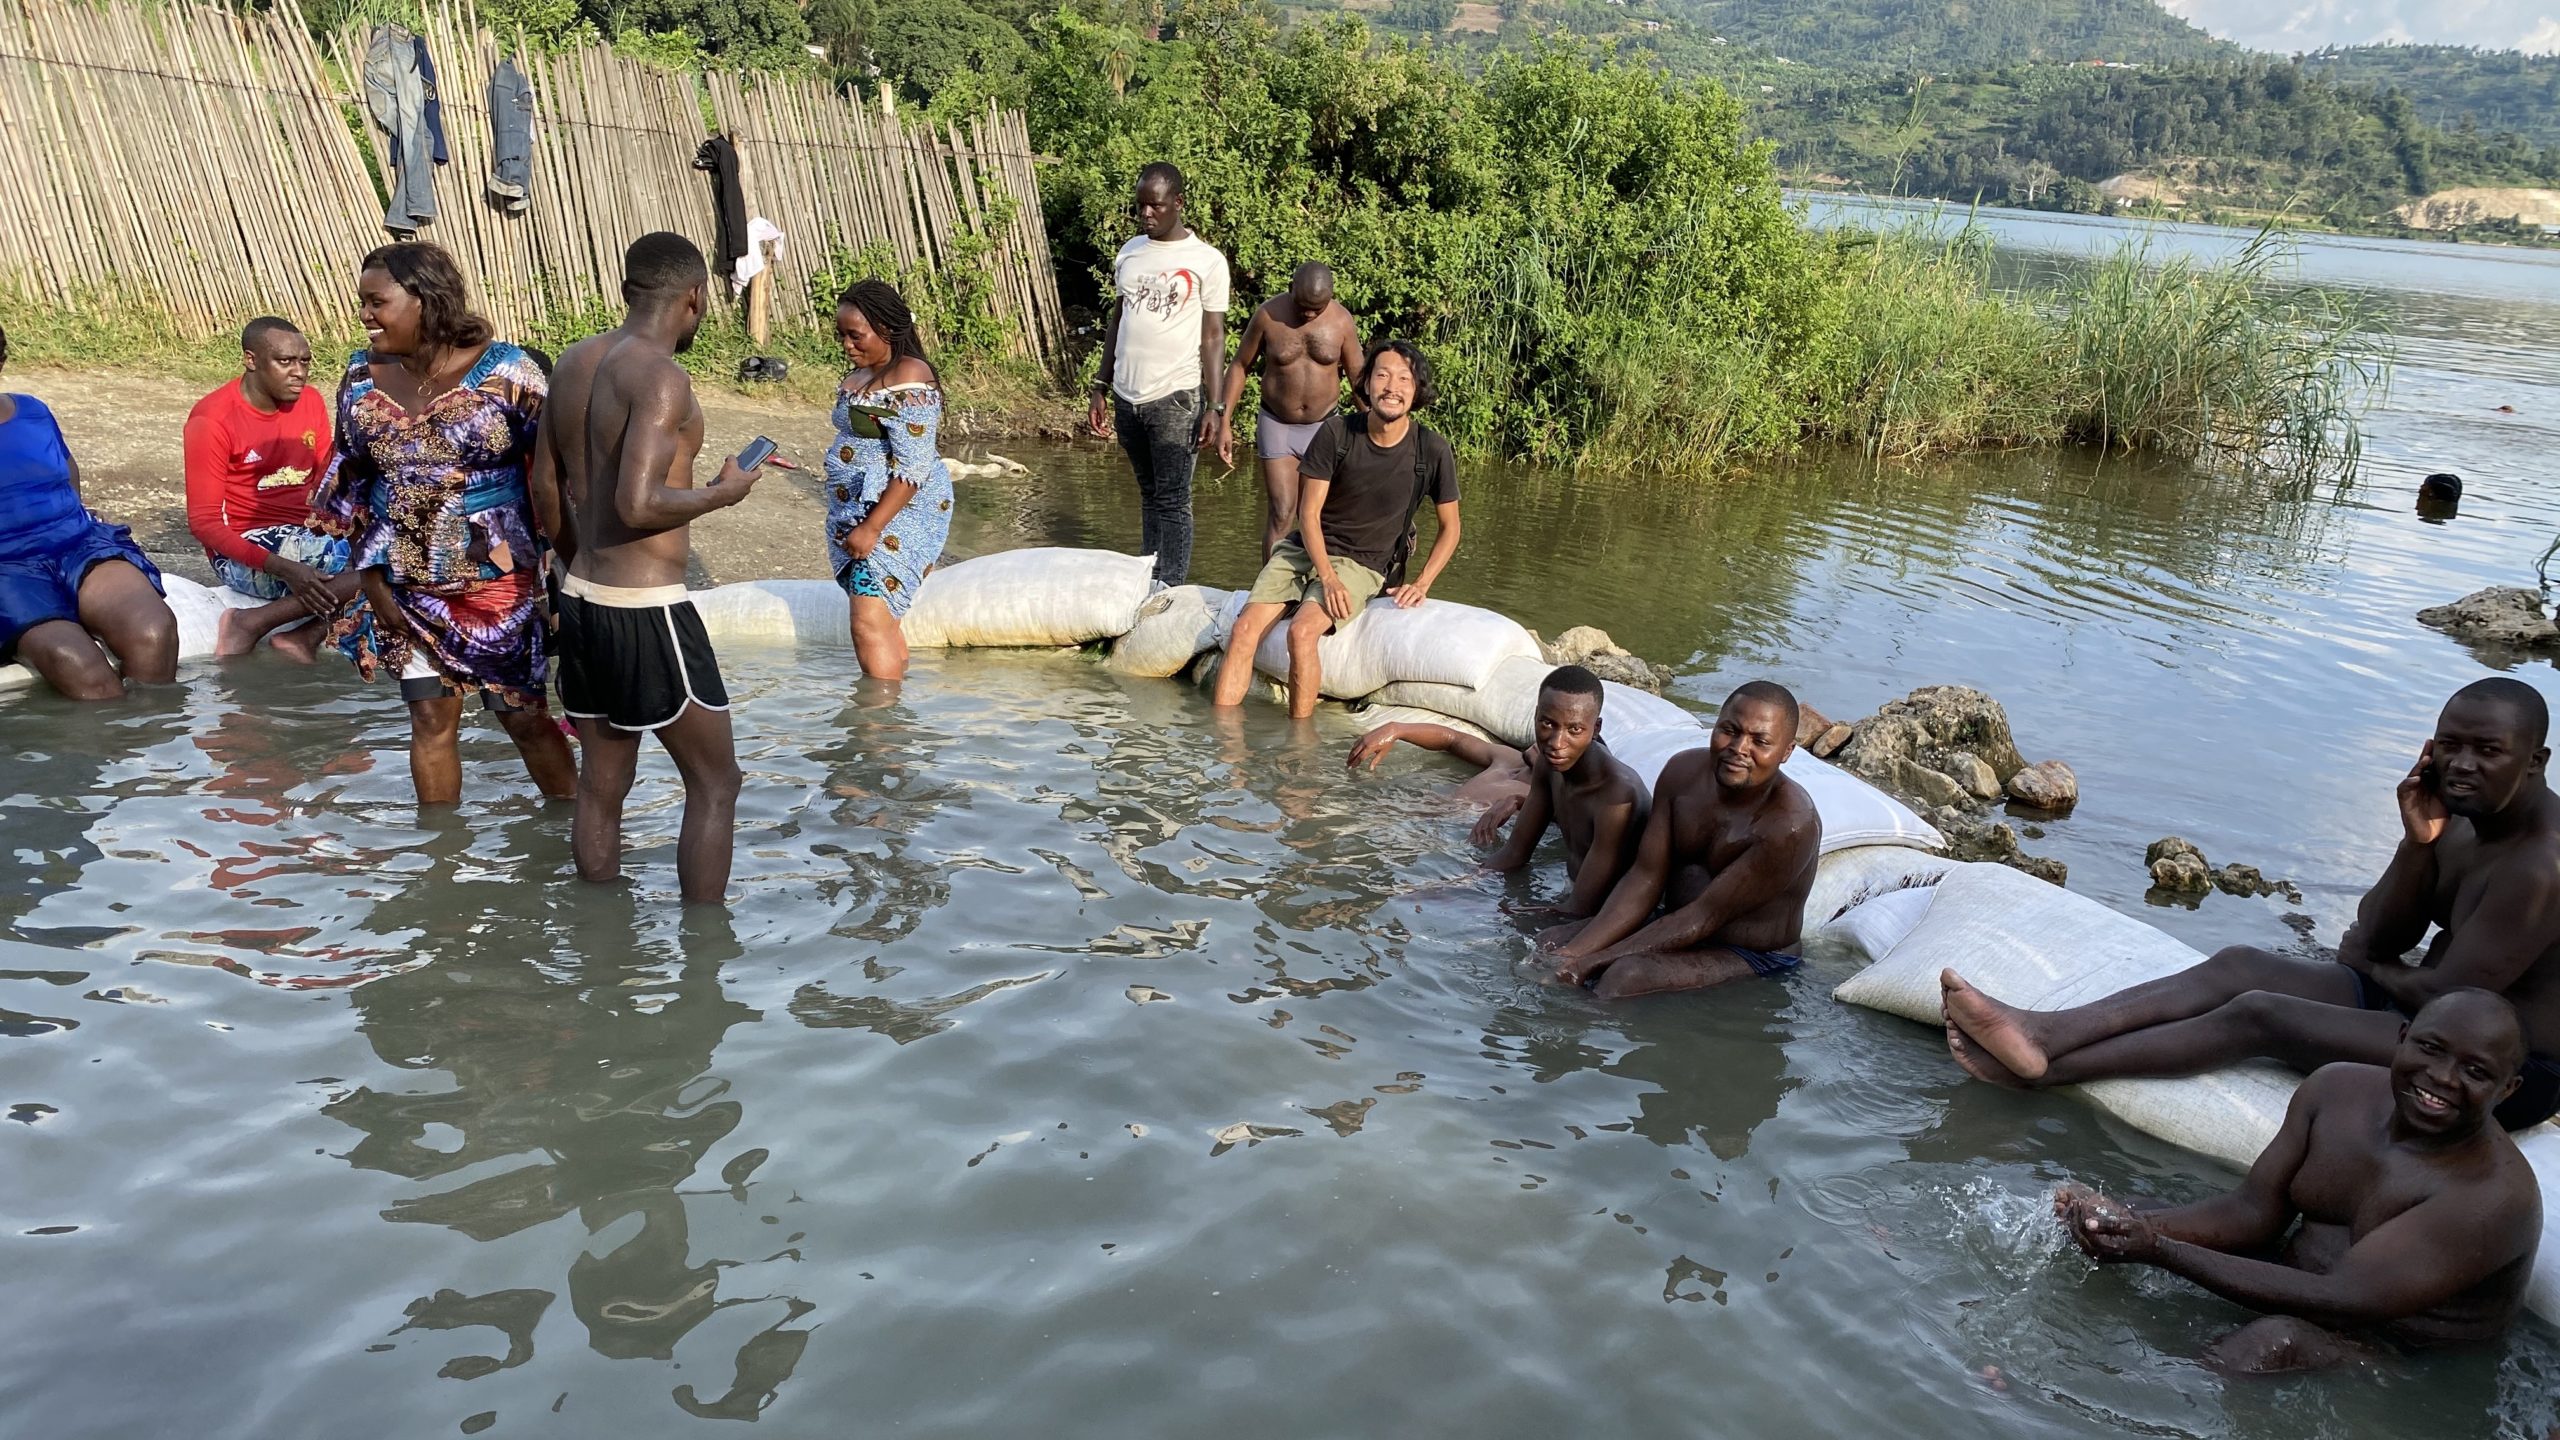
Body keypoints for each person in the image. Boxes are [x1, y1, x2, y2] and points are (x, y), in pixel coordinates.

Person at [1941, 678, 2560, 1132]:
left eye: (2489, 751)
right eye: (2449, 745)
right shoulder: (2458, 819)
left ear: (2536, 762)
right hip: (2427, 1010)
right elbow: (2378, 934)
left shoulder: (2542, 865)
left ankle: (2044, 1072)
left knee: (2260, 1013)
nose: (2462, 765)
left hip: (2499, 1065)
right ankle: (2043, 1031)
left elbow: (2436, 995)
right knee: (2239, 964)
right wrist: (2417, 844)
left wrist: (2373, 971)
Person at [2054, 989, 2541, 1374]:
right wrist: (2128, 1224)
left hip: (2396, 1356)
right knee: (2113, 1214)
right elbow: (2250, 1214)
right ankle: (2056, 1350)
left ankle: (2142, 1403)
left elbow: (2346, 1298)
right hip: (2299, 1283)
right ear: (2404, 1037)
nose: (2442, 1078)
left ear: (2508, 1089)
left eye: (2475, 1071)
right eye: (2430, 1049)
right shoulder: (2336, 1091)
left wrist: (2159, 1248)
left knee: (2273, 1340)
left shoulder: (2491, 1196)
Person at [529, 232, 759, 906]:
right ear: (695, 298)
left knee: (603, 782)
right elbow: (637, 502)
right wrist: (723, 492)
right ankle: (705, 969)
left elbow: (547, 487)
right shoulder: (660, 376)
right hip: (646, 608)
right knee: (717, 783)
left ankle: (601, 943)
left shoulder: (574, 362)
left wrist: (575, 570)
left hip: (584, 598)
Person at [310, 241, 576, 806]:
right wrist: (373, 580)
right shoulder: (361, 377)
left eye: (377, 302)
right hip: (401, 586)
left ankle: (577, 834)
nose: (364, 316)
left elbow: (557, 478)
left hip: (497, 589)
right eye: (362, 302)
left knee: (523, 719)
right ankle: (438, 866)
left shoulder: (510, 372)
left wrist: (566, 573)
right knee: (430, 721)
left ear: (426, 301)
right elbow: (352, 482)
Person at [1211, 341, 1460, 721]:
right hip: (1307, 549)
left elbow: (1451, 527)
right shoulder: (1338, 433)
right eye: (1382, 375)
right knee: (1244, 629)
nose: (1392, 386)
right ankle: (1222, 749)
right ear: (1366, 384)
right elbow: (1307, 514)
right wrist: (1325, 576)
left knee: (1301, 632)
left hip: (1364, 562)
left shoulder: (1431, 450)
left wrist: (1423, 583)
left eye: (1404, 379)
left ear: (1417, 389)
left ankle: (1299, 747)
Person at [1543, 682, 1821, 997]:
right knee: (1553, 941)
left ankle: (1581, 1034)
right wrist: (1575, 953)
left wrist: (1591, 960)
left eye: (1760, 741)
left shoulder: (1789, 826)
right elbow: (1645, 876)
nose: (1739, 748)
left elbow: (1704, 915)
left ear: (1787, 751)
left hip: (1752, 954)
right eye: (1729, 730)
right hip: (1672, 921)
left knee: (1625, 975)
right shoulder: (1682, 773)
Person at [0, 323, 178, 701]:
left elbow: (68, 469)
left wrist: (74, 513)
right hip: (7, 570)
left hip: (77, 545)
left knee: (152, 631)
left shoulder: (32, 411)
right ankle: (110, 747)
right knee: (78, 665)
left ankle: (157, 746)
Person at [1085, 162, 1229, 589]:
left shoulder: (1206, 261)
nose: (1147, 214)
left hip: (1176, 397)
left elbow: (1214, 336)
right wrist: (1100, 386)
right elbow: (1117, 320)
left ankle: (1171, 589)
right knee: (1149, 495)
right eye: (1141, 206)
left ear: (1178, 203)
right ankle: (1149, 579)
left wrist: (1216, 407)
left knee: (1173, 500)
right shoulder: (1129, 252)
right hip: (1128, 397)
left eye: (1156, 205)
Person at [185, 316, 359, 660]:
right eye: (285, 362)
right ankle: (249, 623)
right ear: (251, 360)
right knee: (385, 564)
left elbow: (324, 483)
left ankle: (302, 635)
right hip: (246, 548)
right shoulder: (212, 419)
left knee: (400, 549)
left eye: (305, 361)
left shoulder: (308, 401)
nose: (299, 372)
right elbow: (203, 524)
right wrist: (284, 568)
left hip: (304, 533)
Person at [823, 279, 955, 684]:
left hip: (896, 514)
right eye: (842, 335)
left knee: (868, 623)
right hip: (857, 510)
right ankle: (892, 728)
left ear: (887, 329)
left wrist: (872, 527)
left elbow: (913, 468)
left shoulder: (910, 376)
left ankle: (877, 730)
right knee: (882, 620)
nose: (847, 345)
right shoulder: (864, 373)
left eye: (856, 335)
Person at [1215, 262, 1363, 558]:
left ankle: (1314, 587)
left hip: (1324, 428)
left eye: (1316, 308)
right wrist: (1224, 420)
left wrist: (1376, 429)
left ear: (1330, 298)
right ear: (1290, 289)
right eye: (1303, 306)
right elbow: (1240, 366)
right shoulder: (1269, 315)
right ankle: (1269, 592)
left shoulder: (1342, 321)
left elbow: (1358, 377)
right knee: (1282, 512)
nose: (1308, 314)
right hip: (1277, 423)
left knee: (1318, 515)